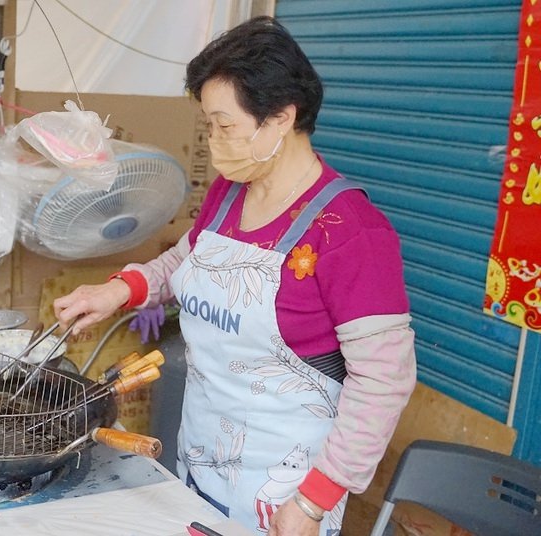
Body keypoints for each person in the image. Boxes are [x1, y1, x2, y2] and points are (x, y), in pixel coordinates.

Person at [53, 16, 416, 536]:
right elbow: (188, 259)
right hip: (200, 461)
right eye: (208, 124)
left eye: (224, 126)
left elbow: (384, 382)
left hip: (287, 494)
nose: (213, 140)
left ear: (280, 119)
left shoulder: (351, 233)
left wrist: (315, 501)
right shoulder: (230, 193)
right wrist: (119, 290)